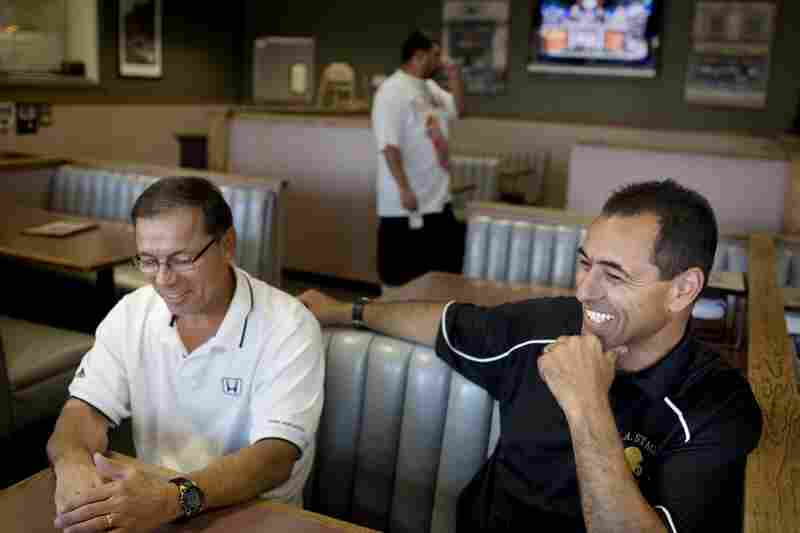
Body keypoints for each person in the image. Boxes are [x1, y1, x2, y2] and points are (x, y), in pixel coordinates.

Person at [300, 179, 762, 532]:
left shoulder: (714, 405)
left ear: (683, 289)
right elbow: (449, 323)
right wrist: (345, 309)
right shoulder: (547, 326)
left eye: (614, 276)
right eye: (584, 263)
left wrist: (587, 405)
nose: (584, 291)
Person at [47, 177, 324, 532]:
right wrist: (72, 462)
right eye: (148, 260)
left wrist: (170, 499)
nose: (163, 280)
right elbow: (83, 411)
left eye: (181, 259)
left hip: (257, 516)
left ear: (227, 245)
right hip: (151, 510)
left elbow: (274, 458)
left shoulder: (288, 325)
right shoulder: (133, 312)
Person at [372, 29, 466, 293]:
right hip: (406, 206)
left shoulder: (430, 88)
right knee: (400, 279)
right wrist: (403, 187)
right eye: (436, 55)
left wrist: (455, 75)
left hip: (437, 199)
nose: (440, 60)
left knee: (442, 275)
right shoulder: (391, 92)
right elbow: (389, 147)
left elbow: (460, 109)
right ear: (418, 56)